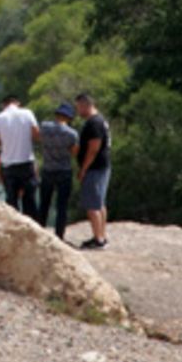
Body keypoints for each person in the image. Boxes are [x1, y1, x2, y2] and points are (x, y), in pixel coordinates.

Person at [0, 94, 40, 219]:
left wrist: (5, 140)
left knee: (12, 202)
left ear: (3, 105)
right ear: (18, 103)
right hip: (27, 163)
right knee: (30, 201)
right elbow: (37, 135)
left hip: (9, 166)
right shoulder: (28, 113)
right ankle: (32, 230)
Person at [36, 100, 79, 240]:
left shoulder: (44, 127)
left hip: (48, 170)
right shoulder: (72, 134)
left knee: (44, 204)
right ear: (69, 117)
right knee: (62, 206)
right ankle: (59, 236)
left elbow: (38, 138)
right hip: (64, 171)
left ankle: (40, 233)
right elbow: (74, 153)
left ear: (56, 115)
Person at [74, 91, 112, 249]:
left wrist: (84, 168)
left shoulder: (94, 123)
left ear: (86, 105)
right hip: (103, 166)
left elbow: (93, 148)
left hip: (95, 167)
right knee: (99, 203)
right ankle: (101, 234)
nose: (78, 111)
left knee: (92, 206)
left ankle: (98, 240)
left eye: (79, 107)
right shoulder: (101, 120)